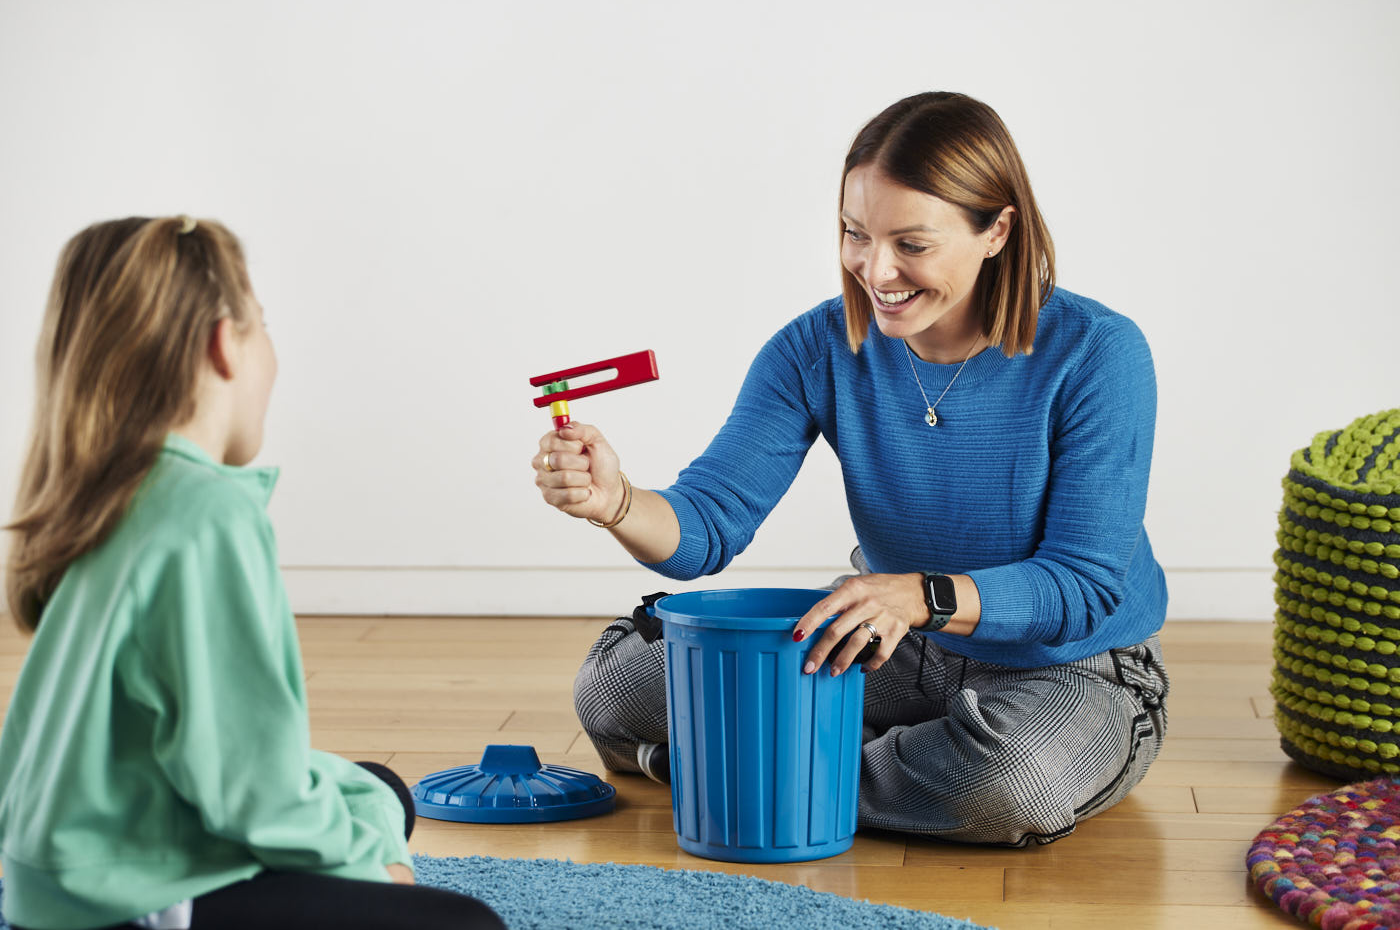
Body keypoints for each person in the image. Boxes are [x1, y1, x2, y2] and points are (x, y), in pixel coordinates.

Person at [534, 92, 1170, 847]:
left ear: (997, 231)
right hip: (894, 639)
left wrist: (920, 596)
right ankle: (849, 762)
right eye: (855, 234)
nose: (876, 269)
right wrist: (616, 502)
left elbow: (1084, 586)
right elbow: (706, 527)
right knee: (612, 694)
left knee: (1007, 782)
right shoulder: (815, 347)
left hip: (1067, 664)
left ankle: (744, 765)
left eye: (912, 244)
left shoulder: (1099, 353)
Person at [0, 217, 503, 929]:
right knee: (465, 923)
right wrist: (374, 867)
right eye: (261, 324)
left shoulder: (112, 492)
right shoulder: (206, 512)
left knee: (381, 788)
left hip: (60, 875)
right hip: (125, 901)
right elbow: (249, 790)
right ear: (222, 344)